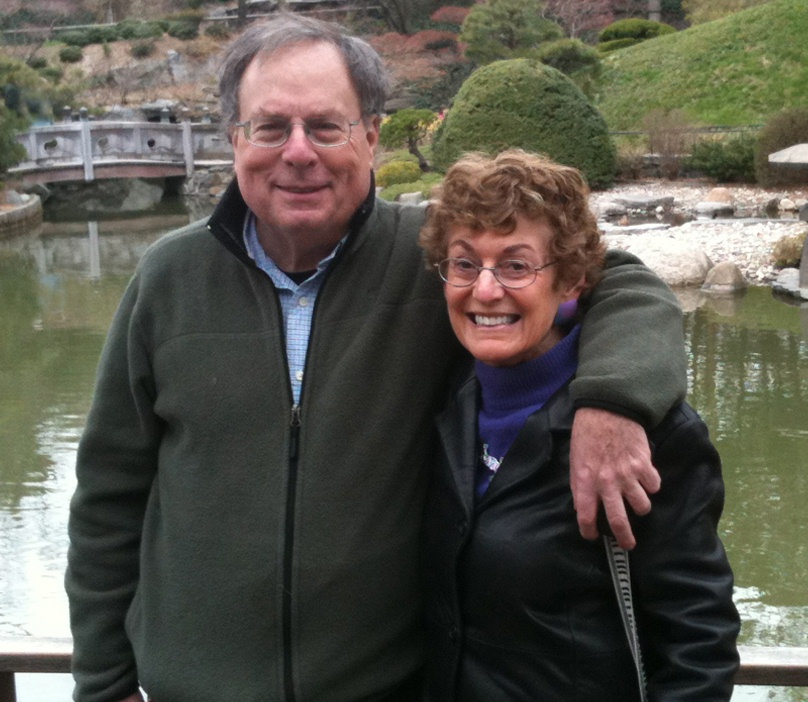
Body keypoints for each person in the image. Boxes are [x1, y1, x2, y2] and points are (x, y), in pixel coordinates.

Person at [65, 15, 688, 702]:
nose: (297, 152)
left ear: (371, 135)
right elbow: (107, 503)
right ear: (233, 139)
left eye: (325, 126)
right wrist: (103, 684)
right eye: (270, 127)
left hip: (389, 688)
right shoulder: (167, 278)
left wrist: (612, 400)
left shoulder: (433, 262)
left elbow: (617, 281)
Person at [419, 150, 740, 702]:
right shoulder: (441, 398)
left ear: (570, 282)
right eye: (466, 263)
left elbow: (698, 646)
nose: (486, 289)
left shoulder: (645, 435)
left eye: (516, 265)